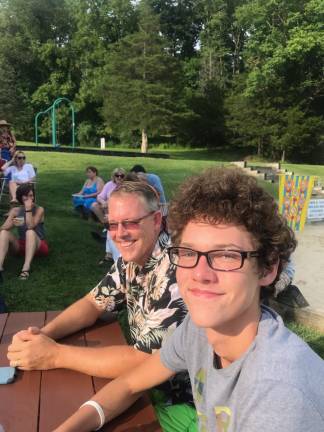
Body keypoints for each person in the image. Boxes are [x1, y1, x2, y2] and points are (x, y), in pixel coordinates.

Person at [54, 167, 324, 432]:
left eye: (226, 255)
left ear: (267, 268)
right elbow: (129, 384)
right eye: (187, 252)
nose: (200, 274)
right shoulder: (198, 331)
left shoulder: (280, 397)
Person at [8, 181, 196, 431]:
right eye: (112, 224)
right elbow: (93, 303)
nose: (119, 233)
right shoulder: (133, 259)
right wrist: (42, 336)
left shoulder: (178, 272)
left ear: (156, 220)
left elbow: (142, 360)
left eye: (130, 222)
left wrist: (54, 355)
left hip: (185, 404)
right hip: (140, 388)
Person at [0, 183, 48, 282]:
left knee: (29, 232)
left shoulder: (39, 209)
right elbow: (4, 228)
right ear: (20, 197)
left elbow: (31, 225)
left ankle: (25, 268)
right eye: (26, 196)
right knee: (4, 232)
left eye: (31, 195)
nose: (29, 198)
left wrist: (28, 209)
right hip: (21, 245)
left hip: (38, 245)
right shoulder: (16, 211)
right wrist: (13, 220)